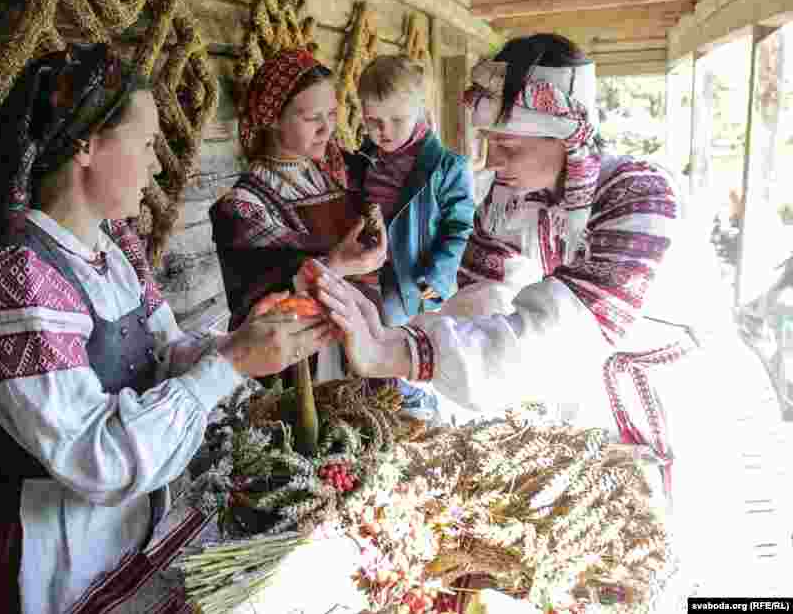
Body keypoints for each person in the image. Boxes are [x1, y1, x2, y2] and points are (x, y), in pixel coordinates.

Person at [309, 34, 791, 599]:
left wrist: (400, 352)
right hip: (592, 395)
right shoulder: (513, 194)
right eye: (489, 142)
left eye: (508, 146)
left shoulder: (640, 195)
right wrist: (404, 336)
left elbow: (565, 329)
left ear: (568, 135)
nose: (492, 162)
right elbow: (479, 294)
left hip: (692, 403)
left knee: (701, 567)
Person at [0, 43, 334, 614]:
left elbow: (165, 352)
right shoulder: (16, 279)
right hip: (58, 546)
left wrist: (245, 344)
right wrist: (227, 366)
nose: (157, 164)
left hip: (131, 521)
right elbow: (96, 459)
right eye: (147, 143)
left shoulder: (114, 244)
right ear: (86, 146)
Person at [210, 48, 386, 385]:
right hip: (305, 367)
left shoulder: (338, 175)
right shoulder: (244, 206)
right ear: (273, 117)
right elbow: (262, 304)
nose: (327, 129)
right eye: (311, 118)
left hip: (362, 346)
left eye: (332, 115)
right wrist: (338, 266)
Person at [346, 54, 474, 327]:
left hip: (414, 282)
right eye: (373, 120)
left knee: (401, 346)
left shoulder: (447, 167)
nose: (384, 131)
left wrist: (440, 276)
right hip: (366, 276)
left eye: (397, 119)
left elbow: (460, 228)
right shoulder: (362, 161)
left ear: (419, 110)